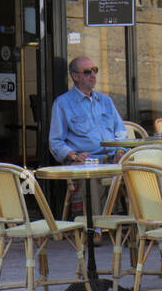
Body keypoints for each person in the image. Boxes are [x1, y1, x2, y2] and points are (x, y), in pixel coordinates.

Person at [48, 56, 126, 216]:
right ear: (75, 76)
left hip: (113, 159)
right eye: (87, 72)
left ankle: (140, 227)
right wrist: (74, 155)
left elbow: (121, 131)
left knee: (144, 171)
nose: (93, 75)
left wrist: (120, 151)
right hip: (88, 161)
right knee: (91, 175)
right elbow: (55, 142)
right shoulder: (63, 104)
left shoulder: (105, 100)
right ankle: (95, 228)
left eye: (95, 70)